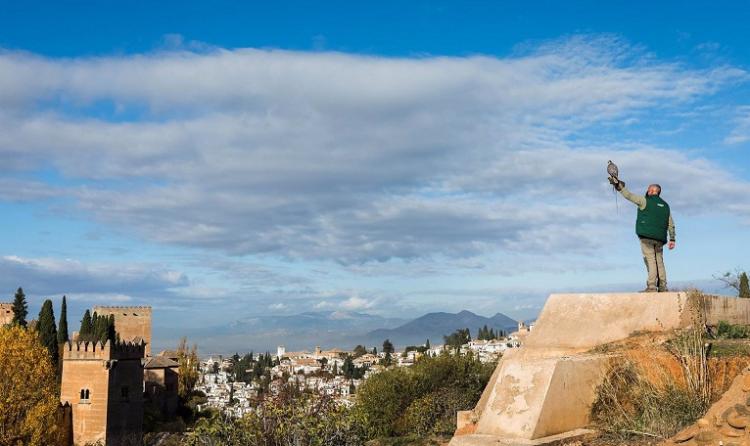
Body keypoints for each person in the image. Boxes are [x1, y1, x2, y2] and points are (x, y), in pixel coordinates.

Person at [608, 177, 676, 292]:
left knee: (650, 260)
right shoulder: (666, 206)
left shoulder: (645, 200)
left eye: (649, 189)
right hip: (660, 238)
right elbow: (671, 223)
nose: (647, 191)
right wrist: (672, 239)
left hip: (646, 236)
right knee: (659, 261)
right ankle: (663, 286)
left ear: (653, 191)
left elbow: (629, 195)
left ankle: (651, 286)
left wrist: (618, 185)